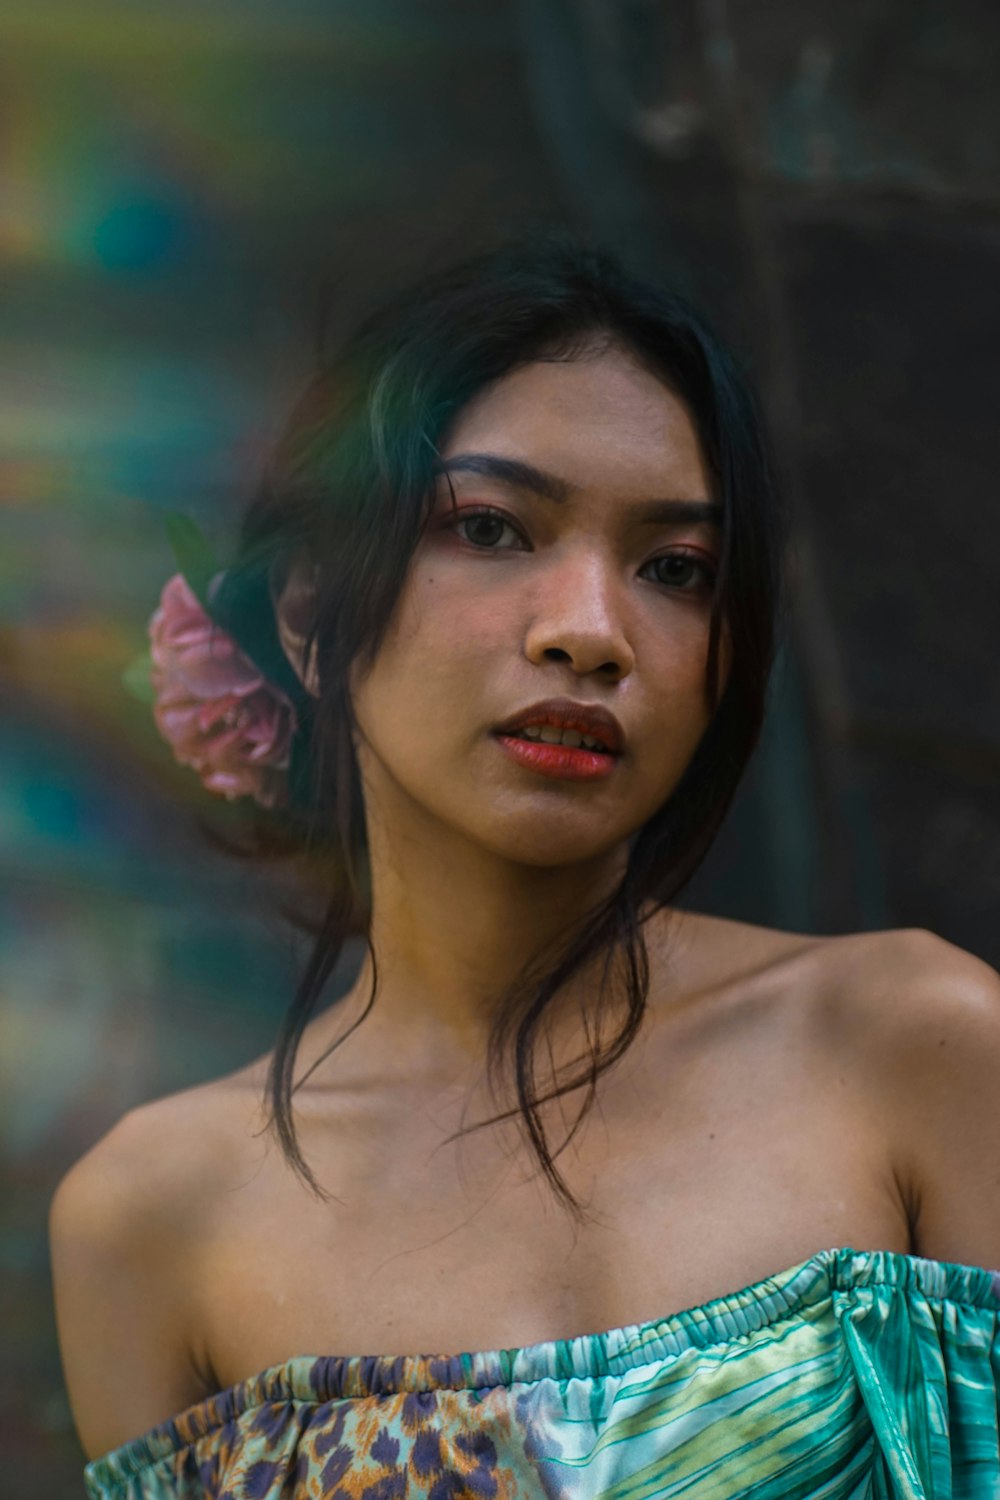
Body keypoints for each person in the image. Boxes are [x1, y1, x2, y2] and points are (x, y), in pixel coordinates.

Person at [51, 231, 1000, 1498]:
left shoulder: (916, 1045)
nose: (590, 633)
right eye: (492, 529)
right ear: (306, 618)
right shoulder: (153, 1216)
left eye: (675, 568)